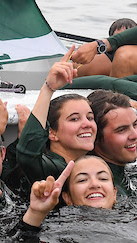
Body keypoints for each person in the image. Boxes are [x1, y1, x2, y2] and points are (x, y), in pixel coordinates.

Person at [14, 50, 97, 197]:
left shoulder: (93, 164)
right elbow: (28, 157)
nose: (87, 124)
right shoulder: (52, 169)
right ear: (52, 133)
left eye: (90, 117)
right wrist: (48, 89)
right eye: (74, 119)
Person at [86, 90, 137, 195]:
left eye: (135, 124)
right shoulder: (104, 192)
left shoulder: (125, 175)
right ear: (96, 137)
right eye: (121, 130)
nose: (135, 135)